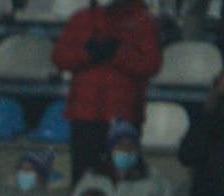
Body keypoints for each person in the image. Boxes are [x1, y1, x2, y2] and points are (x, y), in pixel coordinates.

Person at [51, 0, 162, 184]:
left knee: (123, 181)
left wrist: (117, 54)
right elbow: (59, 57)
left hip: (123, 115)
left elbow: (151, 64)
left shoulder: (144, 22)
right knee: (83, 179)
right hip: (85, 114)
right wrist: (87, 53)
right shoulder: (81, 18)